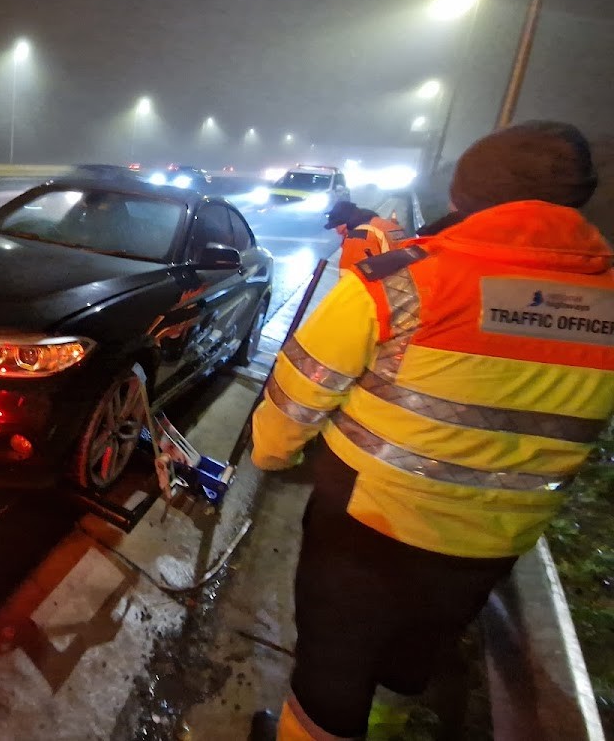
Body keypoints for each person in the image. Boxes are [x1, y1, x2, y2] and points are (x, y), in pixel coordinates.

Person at [248, 120, 614, 741]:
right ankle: (385, 728)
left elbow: (298, 394)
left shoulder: (402, 281)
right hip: (495, 539)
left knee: (334, 667)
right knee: (414, 656)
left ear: (466, 195)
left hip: (369, 527)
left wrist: (272, 457)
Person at [323, 201, 407, 275]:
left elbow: (351, 277)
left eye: (337, 227)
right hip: (407, 279)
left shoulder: (359, 236)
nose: (338, 232)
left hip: (389, 285)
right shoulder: (384, 225)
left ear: (346, 223)